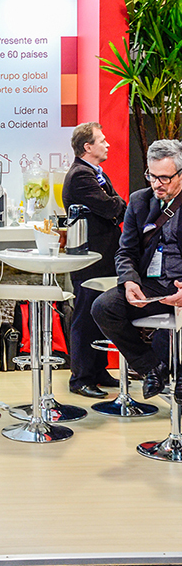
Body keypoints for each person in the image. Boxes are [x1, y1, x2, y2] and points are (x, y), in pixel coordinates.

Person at [92, 139, 182, 400]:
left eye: (164, 178)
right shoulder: (140, 201)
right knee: (103, 307)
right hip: (152, 287)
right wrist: (130, 282)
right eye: (152, 176)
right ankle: (151, 367)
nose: (157, 184)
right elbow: (126, 251)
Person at [62, 122, 127, 398]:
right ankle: (81, 378)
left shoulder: (93, 172)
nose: (107, 144)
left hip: (102, 256)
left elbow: (114, 205)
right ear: (87, 147)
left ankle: (98, 371)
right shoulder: (81, 175)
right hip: (89, 258)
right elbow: (111, 206)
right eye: (102, 140)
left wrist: (116, 205)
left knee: (100, 314)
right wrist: (117, 205)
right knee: (86, 316)